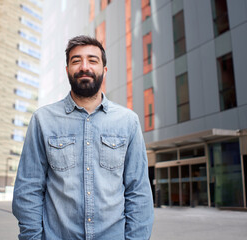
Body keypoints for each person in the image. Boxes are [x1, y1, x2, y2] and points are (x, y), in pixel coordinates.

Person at [12, 35, 154, 240]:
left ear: (104, 71)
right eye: (76, 60)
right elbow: (28, 189)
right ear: (67, 70)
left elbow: (138, 191)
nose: (84, 66)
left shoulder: (128, 122)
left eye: (92, 60)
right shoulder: (43, 120)